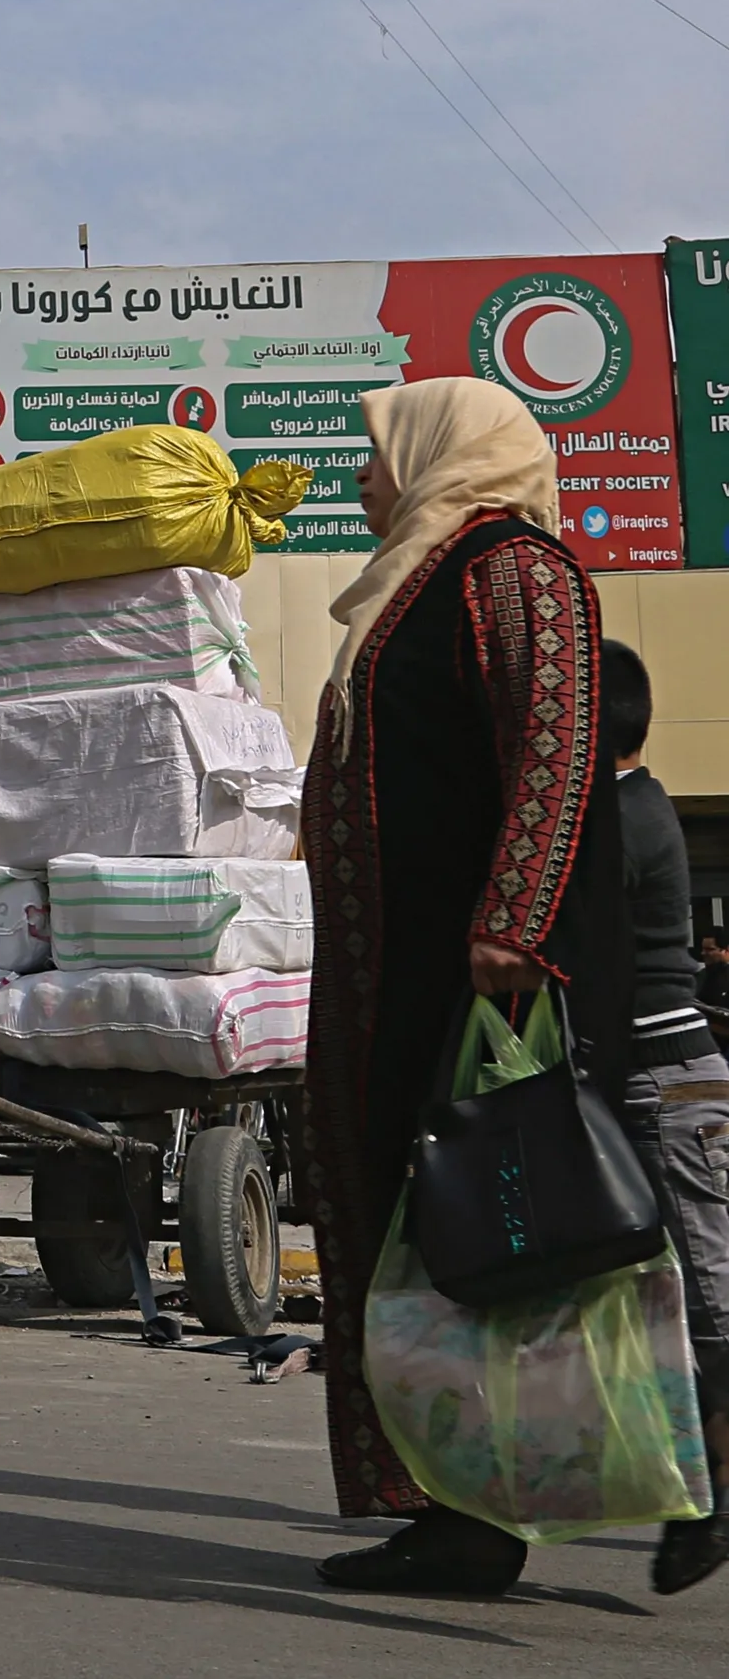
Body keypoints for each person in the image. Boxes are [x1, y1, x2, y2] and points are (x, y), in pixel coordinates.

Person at [303, 378, 636, 1595]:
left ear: (444, 454)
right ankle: (445, 1503)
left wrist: (511, 927)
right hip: (399, 986)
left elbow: (555, 748)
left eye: (376, 455)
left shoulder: (514, 569)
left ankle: (482, 1516)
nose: (360, 478)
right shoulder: (415, 585)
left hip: (476, 983)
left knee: (477, 1240)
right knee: (413, 1238)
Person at [600, 639, 729, 1595]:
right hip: (655, 1082)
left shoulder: (619, 816)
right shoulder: (633, 805)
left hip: (668, 1084)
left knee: (711, 1309)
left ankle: (715, 1507)